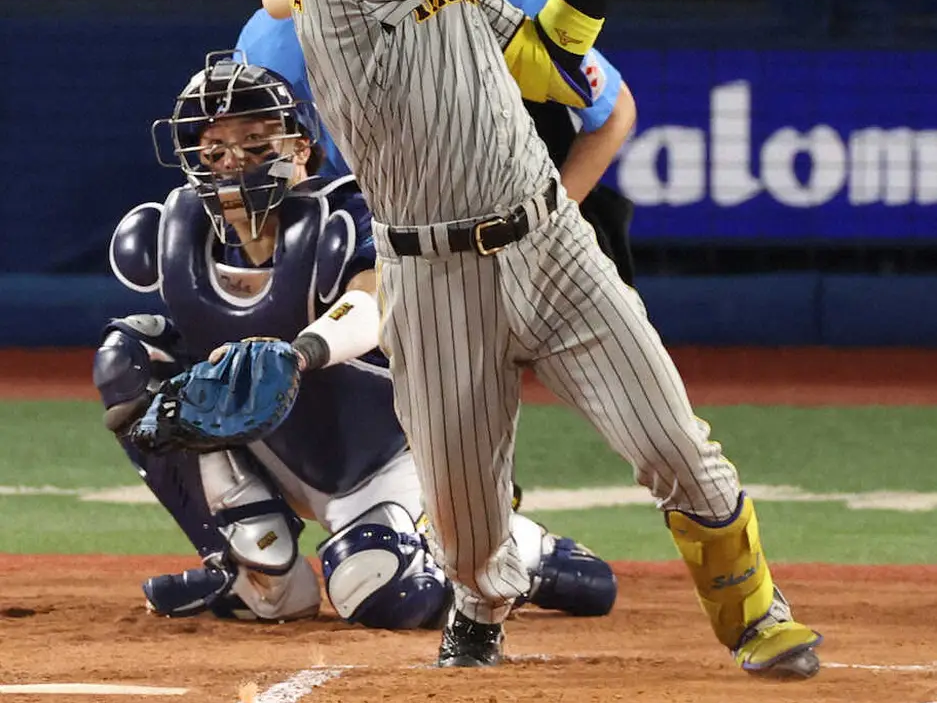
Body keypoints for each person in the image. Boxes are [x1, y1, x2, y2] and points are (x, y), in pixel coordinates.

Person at [265, 0, 822, 674]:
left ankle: (756, 616)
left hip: (549, 241)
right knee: (465, 511)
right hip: (433, 274)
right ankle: (480, 605)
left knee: (674, 439)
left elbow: (554, 59)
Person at [93, 55, 618, 627]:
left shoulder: (350, 212)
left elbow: (374, 302)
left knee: (386, 594)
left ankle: (516, 548)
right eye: (215, 148)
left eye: (255, 142)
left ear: (301, 149)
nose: (233, 162)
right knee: (130, 359)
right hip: (281, 457)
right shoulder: (173, 237)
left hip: (392, 453)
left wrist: (301, 352)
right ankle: (253, 572)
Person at [237, 0, 638, 280]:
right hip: (386, 254)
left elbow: (614, 113)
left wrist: (542, 231)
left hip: (534, 222)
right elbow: (267, 176)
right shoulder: (267, 46)